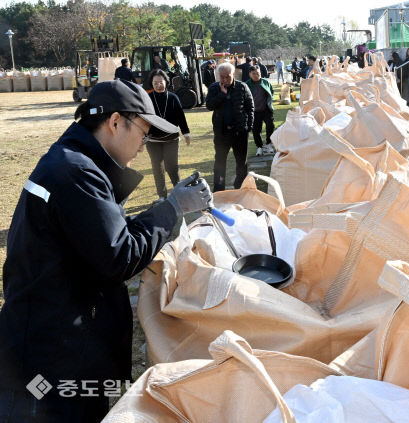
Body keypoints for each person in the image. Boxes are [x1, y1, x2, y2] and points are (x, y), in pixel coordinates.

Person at [0, 79, 213, 423]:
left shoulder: (74, 161)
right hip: (51, 355)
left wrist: (161, 208)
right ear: (115, 123)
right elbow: (119, 255)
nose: (144, 145)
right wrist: (172, 208)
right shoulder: (76, 173)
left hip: (59, 336)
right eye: (143, 132)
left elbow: (101, 232)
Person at [205, 62, 254, 192]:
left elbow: (250, 108)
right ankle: (219, 190)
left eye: (228, 76)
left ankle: (240, 188)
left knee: (241, 163)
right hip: (222, 133)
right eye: (222, 77)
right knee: (220, 163)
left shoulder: (242, 87)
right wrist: (221, 94)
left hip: (240, 132)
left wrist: (248, 127)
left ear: (233, 74)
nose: (225, 79)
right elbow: (209, 105)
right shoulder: (214, 88)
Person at [146, 69, 191, 203]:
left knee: (172, 166)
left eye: (161, 82)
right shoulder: (147, 98)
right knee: (157, 168)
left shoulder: (172, 97)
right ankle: (162, 196)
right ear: (152, 83)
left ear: (166, 82)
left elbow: (181, 117)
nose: (158, 85)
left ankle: (179, 193)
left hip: (171, 139)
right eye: (155, 82)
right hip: (152, 140)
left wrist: (186, 133)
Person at [245, 66, 275, 156]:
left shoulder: (265, 82)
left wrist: (269, 104)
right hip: (254, 111)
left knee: (270, 125)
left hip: (266, 109)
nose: (256, 75)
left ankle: (269, 144)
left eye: (258, 73)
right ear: (250, 74)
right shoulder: (247, 84)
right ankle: (259, 147)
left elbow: (271, 92)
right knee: (256, 130)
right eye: (254, 73)